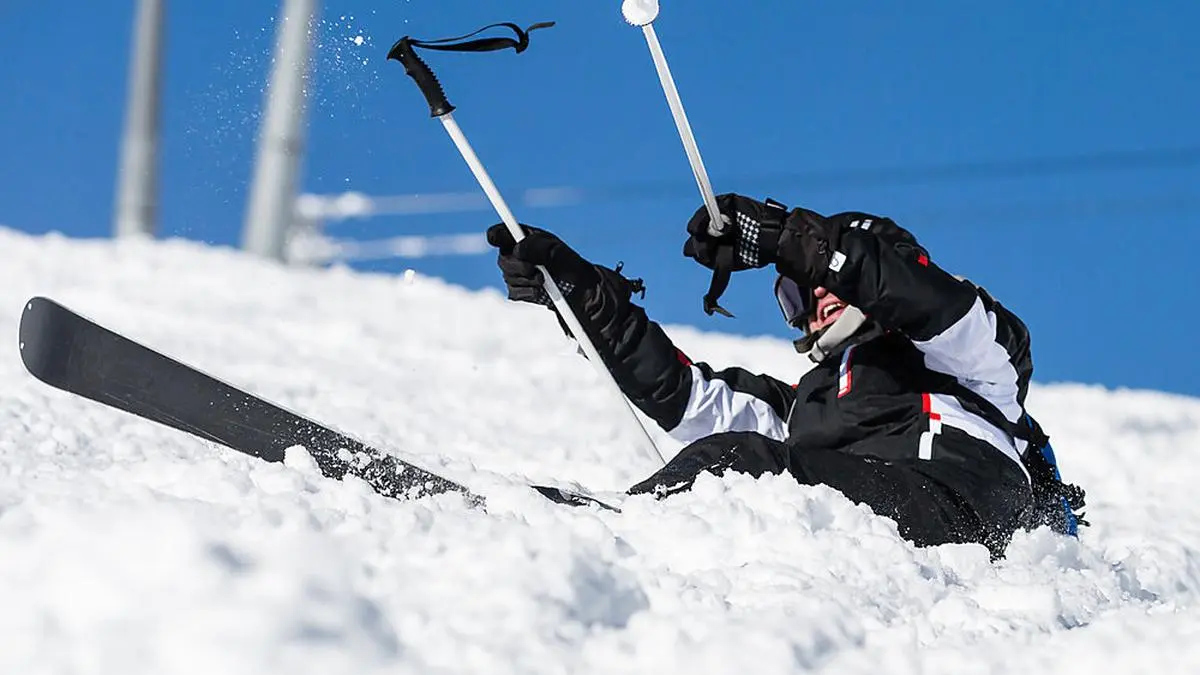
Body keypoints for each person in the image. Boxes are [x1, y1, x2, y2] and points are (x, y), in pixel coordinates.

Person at [485, 193, 1085, 558]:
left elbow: (923, 299)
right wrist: (583, 297)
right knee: (735, 460)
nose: (816, 300)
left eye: (824, 282)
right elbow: (687, 398)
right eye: (796, 294)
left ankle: (613, 533)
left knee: (743, 462)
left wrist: (785, 240)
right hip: (851, 509)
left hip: (961, 509)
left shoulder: (970, 358)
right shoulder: (804, 403)